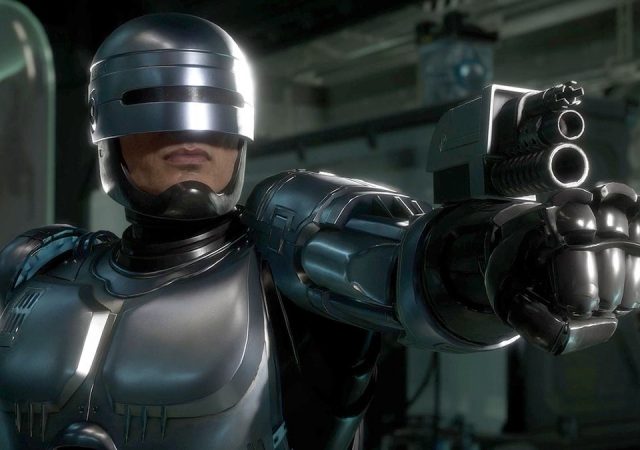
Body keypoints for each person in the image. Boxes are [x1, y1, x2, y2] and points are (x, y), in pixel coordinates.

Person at [0, 12, 638, 450]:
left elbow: (416, 262)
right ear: (106, 136)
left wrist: (516, 252)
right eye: (152, 106)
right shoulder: (38, 267)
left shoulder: (283, 254)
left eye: (212, 109)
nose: (190, 134)